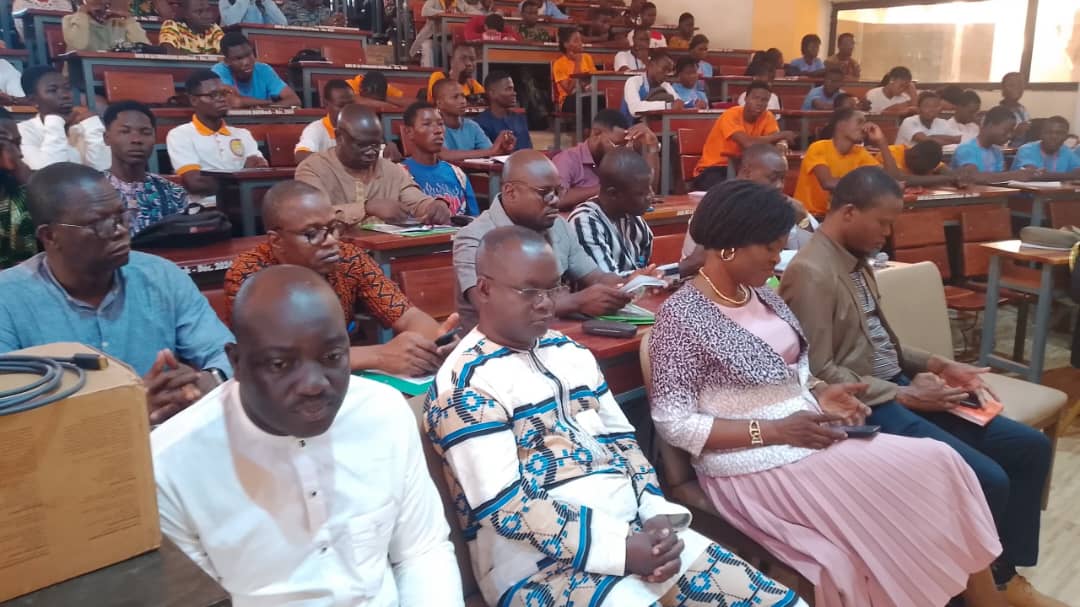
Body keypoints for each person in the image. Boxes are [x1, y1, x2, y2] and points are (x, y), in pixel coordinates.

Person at [652, 179, 1007, 607]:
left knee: (941, 464)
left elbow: (794, 372)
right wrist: (775, 430)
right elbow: (674, 423)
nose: (777, 258)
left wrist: (821, 394)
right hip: (750, 464)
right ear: (729, 246)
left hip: (808, 439)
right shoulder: (681, 318)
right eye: (770, 248)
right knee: (896, 507)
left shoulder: (763, 296)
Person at [429, 224, 805, 607]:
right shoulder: (464, 385)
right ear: (484, 289)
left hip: (634, 529)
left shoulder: (568, 352)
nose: (545, 304)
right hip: (537, 567)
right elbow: (506, 507)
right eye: (530, 291)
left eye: (553, 289)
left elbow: (622, 441)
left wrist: (654, 513)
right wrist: (621, 550)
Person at [780, 166, 1062, 607]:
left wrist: (939, 364)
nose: (887, 234)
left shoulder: (855, 260)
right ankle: (962, 593)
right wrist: (904, 395)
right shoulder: (812, 272)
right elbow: (817, 371)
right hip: (872, 404)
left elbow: (879, 341)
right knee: (987, 479)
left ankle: (1004, 578)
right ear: (849, 212)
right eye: (883, 223)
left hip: (903, 387)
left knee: (1030, 448)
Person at [154, 264, 464, 606]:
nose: (314, 384)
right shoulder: (171, 465)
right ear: (237, 363)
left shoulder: (383, 412)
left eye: (332, 357)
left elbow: (422, 552)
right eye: (280, 364)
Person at [0, 162, 234, 424]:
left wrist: (202, 382)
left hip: (166, 436)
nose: (121, 231)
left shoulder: (161, 276)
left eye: (121, 216)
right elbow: (10, 413)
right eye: (98, 224)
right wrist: (127, 408)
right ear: (50, 235)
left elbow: (226, 354)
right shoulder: (7, 299)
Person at [225, 181, 463, 376]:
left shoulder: (348, 258)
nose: (331, 240)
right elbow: (280, 357)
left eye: (333, 228)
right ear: (276, 241)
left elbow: (408, 316)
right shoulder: (249, 274)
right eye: (312, 233)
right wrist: (379, 355)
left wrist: (434, 343)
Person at [454, 150, 664, 331]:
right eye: (545, 193)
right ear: (511, 192)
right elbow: (490, 308)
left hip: (552, 336)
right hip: (494, 346)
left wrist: (631, 284)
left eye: (558, 191)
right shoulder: (474, 238)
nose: (556, 200)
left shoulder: (558, 226)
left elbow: (596, 276)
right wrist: (576, 302)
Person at [296, 105, 451, 226]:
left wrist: (434, 206)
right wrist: (367, 208)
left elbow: (416, 201)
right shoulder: (312, 169)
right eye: (362, 145)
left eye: (376, 145)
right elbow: (314, 216)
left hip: (387, 251)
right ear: (339, 137)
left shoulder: (391, 170)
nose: (371, 152)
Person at [682, 144, 817, 276]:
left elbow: (812, 256)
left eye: (783, 179)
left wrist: (802, 219)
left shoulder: (782, 206)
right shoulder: (720, 207)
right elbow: (698, 262)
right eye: (773, 178)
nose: (779, 186)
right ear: (747, 173)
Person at [166, 70, 268, 206]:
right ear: (194, 100)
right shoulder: (180, 135)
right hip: (205, 207)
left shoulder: (243, 134)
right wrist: (241, 179)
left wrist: (221, 181)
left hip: (245, 205)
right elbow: (195, 183)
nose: (222, 99)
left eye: (223, 93)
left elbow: (260, 171)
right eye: (213, 95)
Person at [103, 101, 190, 237]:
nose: (136, 140)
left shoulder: (173, 193)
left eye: (146, 132)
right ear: (106, 138)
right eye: (125, 131)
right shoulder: (91, 193)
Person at [568, 148, 660, 275]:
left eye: (649, 189)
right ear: (613, 193)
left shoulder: (636, 221)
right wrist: (647, 277)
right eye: (641, 193)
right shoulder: (585, 222)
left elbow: (645, 269)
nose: (651, 196)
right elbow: (605, 281)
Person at [793, 108, 895, 217]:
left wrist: (881, 142)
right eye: (860, 122)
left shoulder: (860, 152)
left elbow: (891, 179)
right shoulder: (818, 147)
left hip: (838, 218)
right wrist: (871, 186)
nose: (865, 128)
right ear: (840, 125)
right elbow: (828, 182)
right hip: (808, 216)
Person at [694, 82, 795, 191]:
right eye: (755, 98)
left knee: (767, 185)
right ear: (746, 98)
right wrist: (781, 135)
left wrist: (781, 143)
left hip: (744, 169)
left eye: (764, 100)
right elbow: (748, 144)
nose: (759, 103)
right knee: (735, 192)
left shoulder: (767, 116)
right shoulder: (731, 115)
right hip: (714, 169)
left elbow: (775, 137)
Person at [552, 109, 659, 210]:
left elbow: (648, 191)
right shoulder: (568, 159)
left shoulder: (619, 160)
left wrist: (652, 145)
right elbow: (557, 198)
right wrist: (609, 189)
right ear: (596, 134)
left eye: (624, 145)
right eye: (616, 144)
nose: (620, 150)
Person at [18, 66, 111, 171]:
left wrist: (93, 126)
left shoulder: (84, 125)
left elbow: (104, 170)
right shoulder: (23, 132)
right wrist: (56, 122)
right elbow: (51, 172)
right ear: (33, 100)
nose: (65, 95)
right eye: (53, 90)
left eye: (67, 88)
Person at [401, 102, 479, 217]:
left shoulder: (457, 174)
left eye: (441, 124)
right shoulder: (400, 174)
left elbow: (474, 218)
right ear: (409, 132)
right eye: (427, 124)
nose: (438, 130)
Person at [211, 31, 301, 108]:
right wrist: (269, 103)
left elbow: (294, 100)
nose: (246, 62)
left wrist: (265, 109)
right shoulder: (218, 71)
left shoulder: (264, 69)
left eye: (249, 54)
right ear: (227, 61)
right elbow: (235, 102)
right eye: (239, 58)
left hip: (264, 121)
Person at [432, 78, 515, 161]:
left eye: (463, 96)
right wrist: (491, 151)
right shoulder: (434, 128)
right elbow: (444, 155)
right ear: (439, 103)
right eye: (455, 97)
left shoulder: (472, 126)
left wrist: (504, 149)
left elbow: (491, 152)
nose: (462, 101)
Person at [950, 106, 1037, 181]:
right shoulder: (966, 149)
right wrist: (1014, 175)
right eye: (1006, 130)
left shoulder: (997, 152)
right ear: (990, 125)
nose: (1010, 135)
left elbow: (1001, 179)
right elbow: (974, 177)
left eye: (1011, 131)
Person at [0, 109, 35, 268]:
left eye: (17, 144)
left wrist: (23, 177)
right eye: (3, 144)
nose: (19, 154)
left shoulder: (18, 191)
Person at [294, 79, 354, 162]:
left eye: (351, 105)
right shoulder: (316, 129)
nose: (347, 109)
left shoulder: (361, 128)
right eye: (341, 105)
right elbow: (300, 155)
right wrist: (333, 163)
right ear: (326, 104)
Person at [473, 71, 532, 151]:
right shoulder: (480, 124)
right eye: (508, 89)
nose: (514, 93)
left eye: (513, 89)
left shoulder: (519, 118)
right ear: (492, 93)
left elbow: (528, 149)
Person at [62, 0, 151, 52]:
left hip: (116, 73)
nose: (103, 4)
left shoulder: (121, 23)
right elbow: (78, 45)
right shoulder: (70, 20)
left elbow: (144, 49)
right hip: (81, 74)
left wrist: (129, 19)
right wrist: (83, 12)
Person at [1011, 115, 1080, 177]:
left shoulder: (1067, 152)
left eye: (1059, 133)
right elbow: (1032, 174)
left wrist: (1046, 175)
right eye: (1049, 132)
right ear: (1041, 134)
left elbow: (1078, 173)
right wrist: (1069, 176)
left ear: (1066, 137)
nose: (1054, 137)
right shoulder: (1026, 149)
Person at [552, 27, 598, 115]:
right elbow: (569, 90)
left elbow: (595, 79)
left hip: (588, 93)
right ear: (566, 44)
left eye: (581, 40)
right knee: (588, 100)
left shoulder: (587, 57)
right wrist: (577, 62)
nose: (581, 43)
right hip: (568, 100)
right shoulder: (558, 64)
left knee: (601, 99)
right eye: (576, 41)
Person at [622, 50, 680, 119]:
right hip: (630, 124)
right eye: (664, 69)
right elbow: (634, 108)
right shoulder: (633, 81)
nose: (666, 74)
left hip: (656, 124)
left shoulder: (665, 85)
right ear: (651, 65)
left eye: (669, 71)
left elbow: (678, 103)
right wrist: (667, 106)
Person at [895, 90, 960, 146]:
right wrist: (951, 140)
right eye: (927, 106)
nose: (932, 109)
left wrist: (934, 137)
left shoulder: (942, 122)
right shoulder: (908, 122)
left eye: (935, 106)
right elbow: (927, 142)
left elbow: (959, 138)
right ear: (918, 109)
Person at [159, 0, 225, 54]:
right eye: (199, 12)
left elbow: (225, 54)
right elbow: (169, 51)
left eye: (208, 10)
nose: (206, 15)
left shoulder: (214, 28)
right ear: (186, 14)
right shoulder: (172, 25)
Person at [1000, 71, 1031, 145]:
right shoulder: (998, 113)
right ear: (1003, 88)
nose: (1017, 88)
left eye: (1020, 85)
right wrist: (1015, 133)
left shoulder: (1023, 110)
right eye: (1012, 85)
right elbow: (997, 141)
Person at [218, 0, 287, 26]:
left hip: (261, 42)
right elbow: (231, 23)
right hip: (237, 44)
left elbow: (282, 24)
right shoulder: (227, 1)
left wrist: (265, 2)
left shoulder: (263, 3)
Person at [281, 0, 345, 26]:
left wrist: (339, 23)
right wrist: (322, 25)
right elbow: (291, 29)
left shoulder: (325, 11)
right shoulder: (290, 8)